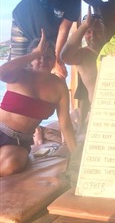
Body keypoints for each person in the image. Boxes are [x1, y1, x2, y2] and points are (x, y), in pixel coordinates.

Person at [0, 30, 77, 176]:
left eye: (49, 57)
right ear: (31, 58)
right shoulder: (19, 73)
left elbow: (65, 124)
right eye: (39, 57)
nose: (43, 60)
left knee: (10, 166)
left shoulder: (59, 86)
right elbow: (1, 73)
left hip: (18, 141)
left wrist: (77, 155)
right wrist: (35, 52)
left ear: (55, 59)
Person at [61, 6, 106, 125]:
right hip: (96, 111)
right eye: (88, 32)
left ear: (104, 32)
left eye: (98, 31)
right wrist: (84, 25)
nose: (93, 35)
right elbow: (64, 56)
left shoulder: (112, 51)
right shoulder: (82, 55)